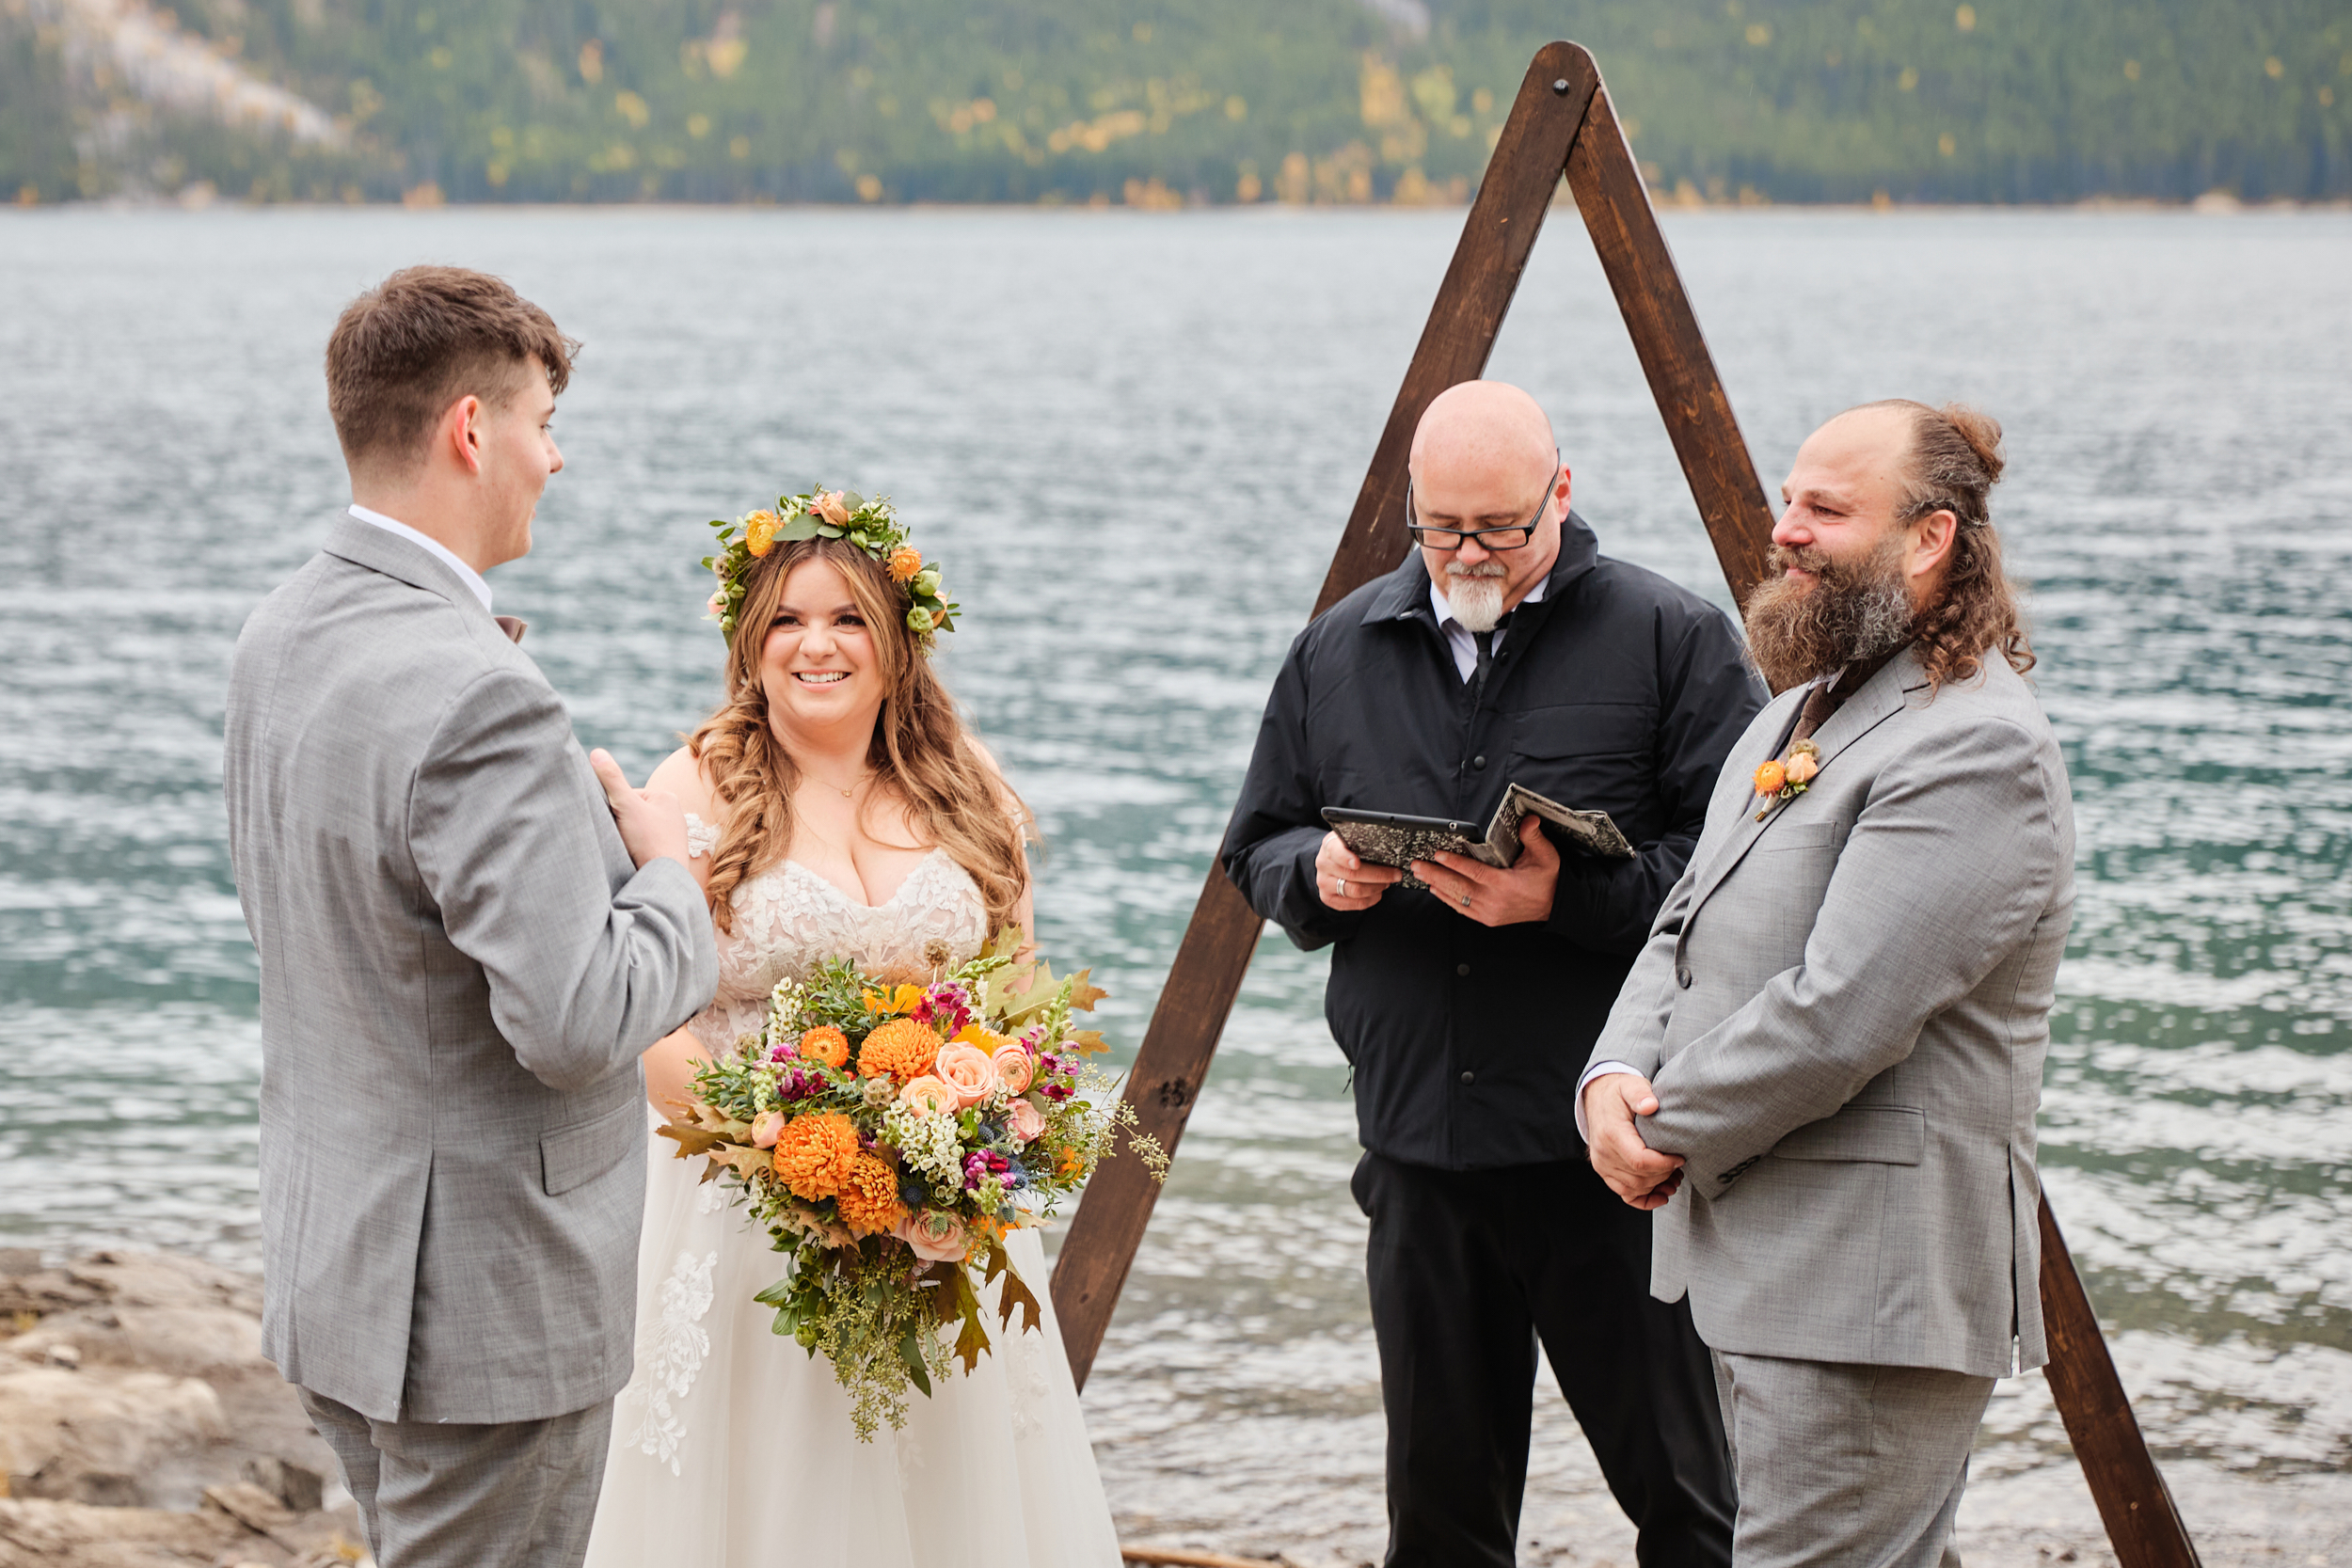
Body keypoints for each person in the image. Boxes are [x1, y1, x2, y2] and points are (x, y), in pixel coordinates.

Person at [222, 266, 719, 1567]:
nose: (554, 459)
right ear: (469, 430)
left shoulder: (276, 634)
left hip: (342, 1266)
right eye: (545, 423)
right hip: (485, 1310)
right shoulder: (481, 693)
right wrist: (668, 874)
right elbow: (572, 1018)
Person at [1221, 380, 1759, 1568]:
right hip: (1418, 1155)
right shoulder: (1336, 647)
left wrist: (1560, 897)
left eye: (1498, 530)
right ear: (1408, 508)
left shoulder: (1672, 638)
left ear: (1560, 494)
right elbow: (1252, 846)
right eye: (1439, 527)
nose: (1465, 553)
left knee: (1691, 1503)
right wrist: (1318, 872)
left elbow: (1743, 878)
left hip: (1612, 1154)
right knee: (1440, 1522)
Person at [581, 495, 1122, 1567]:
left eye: (847, 619)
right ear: (749, 640)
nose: (815, 645)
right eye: (785, 620)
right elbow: (648, 1026)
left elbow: (1019, 1006)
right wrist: (789, 1161)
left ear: (898, 638)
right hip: (745, 1212)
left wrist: (977, 1140)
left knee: (950, 1496)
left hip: (942, 1222)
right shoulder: (690, 788)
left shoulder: (970, 788)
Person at [1581, 401, 2072, 1567]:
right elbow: (1682, 922)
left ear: (1927, 538)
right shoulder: (1791, 716)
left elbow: (1842, 1010)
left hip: (1871, 1286)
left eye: (1825, 509)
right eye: (1788, 500)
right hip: (1768, 1256)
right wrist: (1609, 1076)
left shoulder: (1974, 746)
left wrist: (1667, 1130)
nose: (1785, 530)